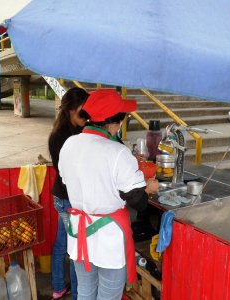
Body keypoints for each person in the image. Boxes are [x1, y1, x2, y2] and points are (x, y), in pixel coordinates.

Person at [58, 89, 159, 300]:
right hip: (109, 240)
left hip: (80, 234)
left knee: (85, 292)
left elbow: (69, 181)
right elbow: (138, 202)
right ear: (115, 123)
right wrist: (148, 189)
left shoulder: (69, 144)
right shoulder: (118, 153)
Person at [48, 87, 90, 300]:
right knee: (75, 250)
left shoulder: (74, 131)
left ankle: (58, 287)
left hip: (62, 197)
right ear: (71, 110)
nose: (87, 117)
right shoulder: (62, 137)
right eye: (84, 112)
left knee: (62, 242)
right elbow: (69, 173)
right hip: (67, 199)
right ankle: (76, 294)